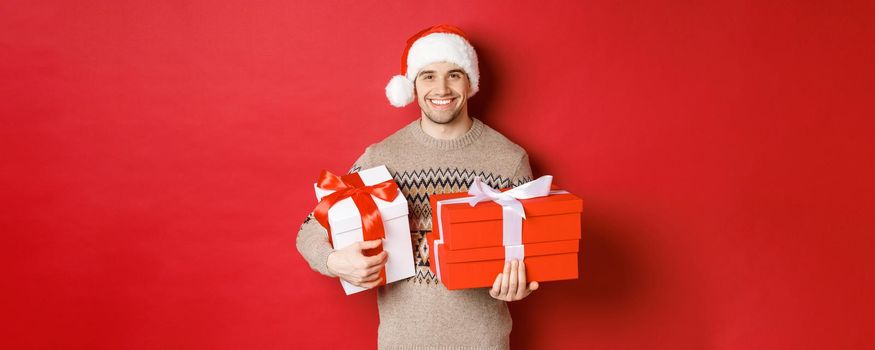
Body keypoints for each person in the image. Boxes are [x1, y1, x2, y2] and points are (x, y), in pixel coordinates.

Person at [296, 24, 538, 350]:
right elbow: (310, 228)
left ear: (470, 82)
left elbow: (534, 251)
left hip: (483, 342)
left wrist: (521, 282)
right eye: (428, 75)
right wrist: (334, 261)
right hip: (402, 342)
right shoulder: (381, 158)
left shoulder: (509, 160)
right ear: (411, 85)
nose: (442, 87)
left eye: (454, 74)